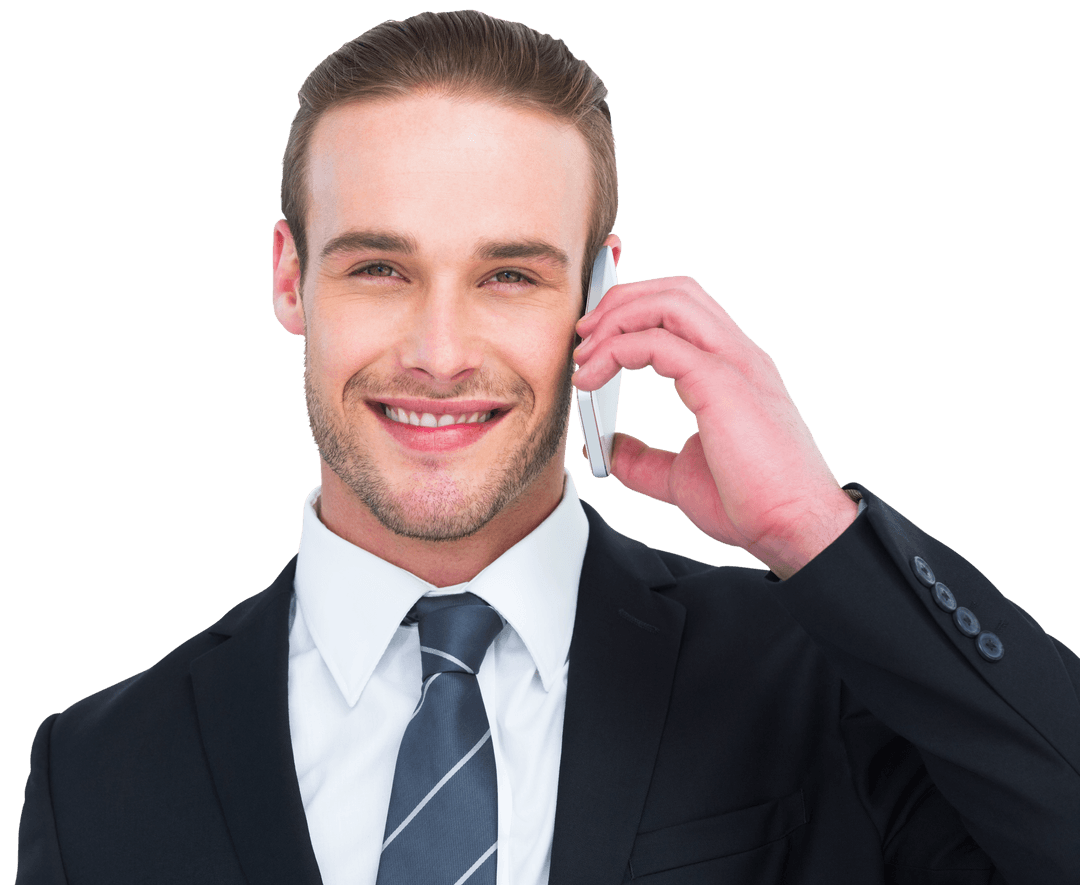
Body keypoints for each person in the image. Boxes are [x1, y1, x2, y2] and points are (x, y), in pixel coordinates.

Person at [16, 9, 1079, 884]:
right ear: (291, 279)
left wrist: (815, 528)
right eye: (380, 268)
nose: (439, 355)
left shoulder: (816, 680)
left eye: (509, 276)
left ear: (598, 290)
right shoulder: (97, 770)